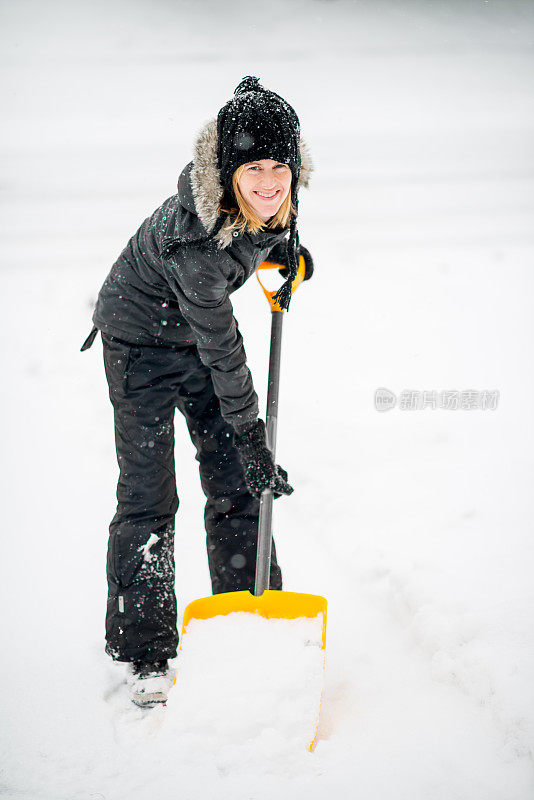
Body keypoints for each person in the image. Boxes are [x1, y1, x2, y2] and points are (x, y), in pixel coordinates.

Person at [81, 76, 314, 706]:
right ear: (227, 173)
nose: (269, 184)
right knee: (149, 497)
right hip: (141, 347)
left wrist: (284, 254)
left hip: (194, 331)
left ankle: (247, 614)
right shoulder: (194, 239)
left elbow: (263, 234)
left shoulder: (274, 198)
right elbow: (222, 346)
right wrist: (251, 433)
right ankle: (145, 650)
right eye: (253, 170)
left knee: (239, 482)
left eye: (279, 168)